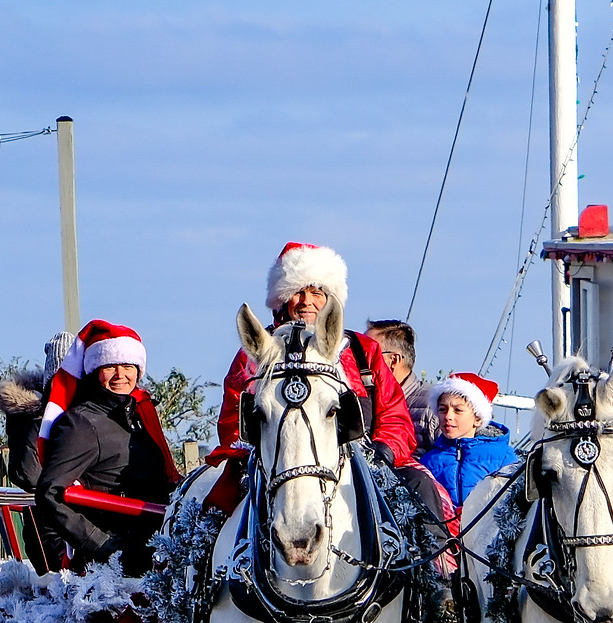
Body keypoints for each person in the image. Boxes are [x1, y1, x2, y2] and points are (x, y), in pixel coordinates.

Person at [216, 243, 416, 467]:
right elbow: (233, 420)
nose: (307, 302)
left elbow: (395, 415)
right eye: (297, 292)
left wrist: (384, 452)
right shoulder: (254, 355)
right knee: (219, 499)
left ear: (330, 300)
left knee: (422, 488)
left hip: (366, 466)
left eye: (316, 293)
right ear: (282, 298)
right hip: (275, 464)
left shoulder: (363, 349)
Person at [31, 320, 181, 574]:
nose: (120, 375)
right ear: (94, 369)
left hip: (154, 547)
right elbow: (50, 493)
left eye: (128, 366)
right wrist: (103, 546)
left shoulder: (140, 415)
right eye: (110, 366)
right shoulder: (81, 423)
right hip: (115, 567)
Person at [418, 373, 518, 508]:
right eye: (442, 409)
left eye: (458, 410)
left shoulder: (503, 457)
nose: (448, 416)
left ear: (477, 419)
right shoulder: (429, 461)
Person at [0, 331, 78, 492]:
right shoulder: (28, 416)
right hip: (45, 508)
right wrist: (41, 417)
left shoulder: (86, 414)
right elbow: (29, 475)